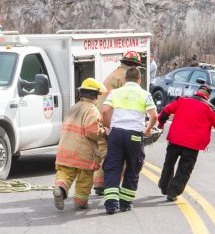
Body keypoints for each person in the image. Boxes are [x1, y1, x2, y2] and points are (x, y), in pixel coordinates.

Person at [157, 82, 215, 201]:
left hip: (175, 140)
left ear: (197, 91)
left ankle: (164, 187)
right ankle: (172, 193)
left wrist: (161, 124)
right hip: (192, 145)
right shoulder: (209, 108)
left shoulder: (183, 101)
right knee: (184, 169)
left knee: (168, 164)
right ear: (208, 96)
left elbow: (165, 111)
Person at [102, 67, 158, 214]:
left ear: (125, 79)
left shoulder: (115, 92)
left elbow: (105, 110)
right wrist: (147, 130)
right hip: (134, 135)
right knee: (133, 167)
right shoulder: (145, 94)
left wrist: (108, 126)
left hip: (116, 133)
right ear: (139, 80)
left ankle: (111, 204)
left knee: (113, 166)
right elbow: (154, 116)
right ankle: (125, 203)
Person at [93, 51, 143, 195]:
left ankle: (99, 185)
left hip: (101, 117)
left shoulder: (114, 74)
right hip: (113, 122)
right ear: (134, 65)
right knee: (118, 157)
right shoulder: (126, 79)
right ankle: (111, 188)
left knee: (105, 154)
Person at [53, 78, 107, 210]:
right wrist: (104, 131)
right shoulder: (92, 110)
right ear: (95, 95)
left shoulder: (73, 108)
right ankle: (80, 202)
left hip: (65, 151)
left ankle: (60, 188)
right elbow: (91, 131)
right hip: (83, 153)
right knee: (85, 179)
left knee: (65, 174)